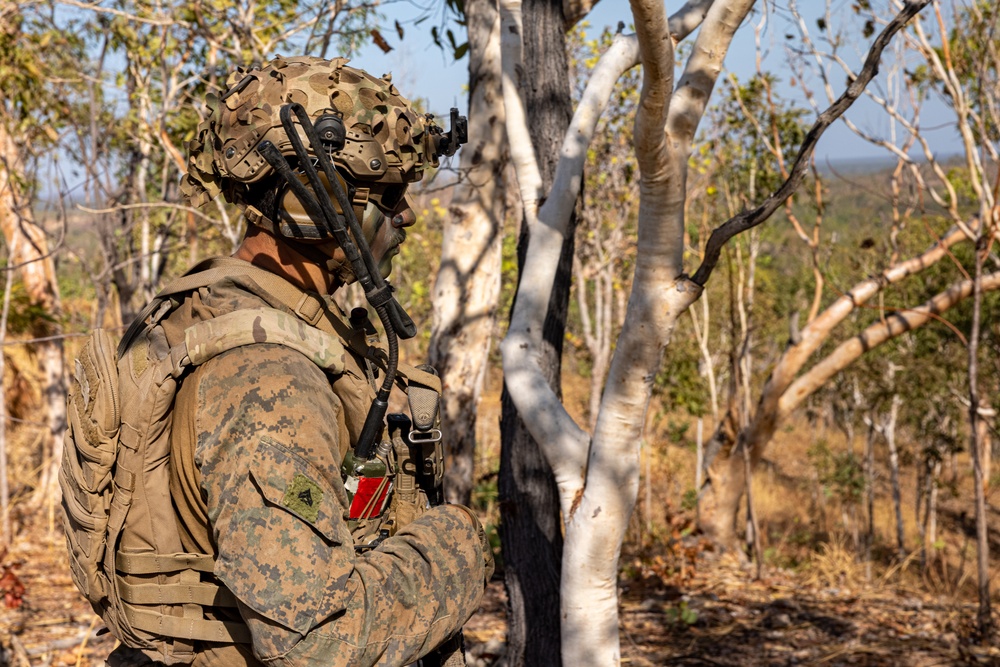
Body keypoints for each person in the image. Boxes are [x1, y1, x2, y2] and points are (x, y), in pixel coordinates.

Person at [105, 55, 492, 666]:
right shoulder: (268, 378)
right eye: (388, 196)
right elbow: (313, 641)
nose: (407, 215)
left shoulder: (194, 312)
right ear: (312, 204)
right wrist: (457, 550)